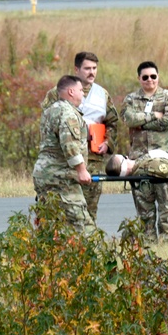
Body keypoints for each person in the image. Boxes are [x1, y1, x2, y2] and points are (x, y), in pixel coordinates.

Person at [41, 51, 119, 224]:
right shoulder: (57, 93)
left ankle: (85, 245)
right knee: (59, 209)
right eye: (87, 68)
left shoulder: (102, 94)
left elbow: (112, 123)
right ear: (76, 69)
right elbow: (47, 122)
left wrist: (108, 142)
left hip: (93, 158)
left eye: (94, 68)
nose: (91, 72)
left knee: (89, 209)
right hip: (64, 161)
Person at [121, 61, 168, 242]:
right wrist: (154, 115)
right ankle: (148, 246)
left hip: (165, 161)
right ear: (139, 78)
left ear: (158, 77)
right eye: (145, 77)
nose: (150, 80)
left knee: (167, 207)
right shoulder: (131, 99)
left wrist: (142, 124)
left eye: (153, 76)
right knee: (144, 209)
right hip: (139, 161)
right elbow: (128, 119)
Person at [33, 75, 94, 232]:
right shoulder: (68, 113)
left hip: (44, 174)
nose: (83, 94)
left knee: (50, 223)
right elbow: (69, 144)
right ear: (71, 91)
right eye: (81, 90)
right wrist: (81, 170)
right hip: (61, 177)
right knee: (83, 226)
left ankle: (47, 255)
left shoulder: (49, 111)